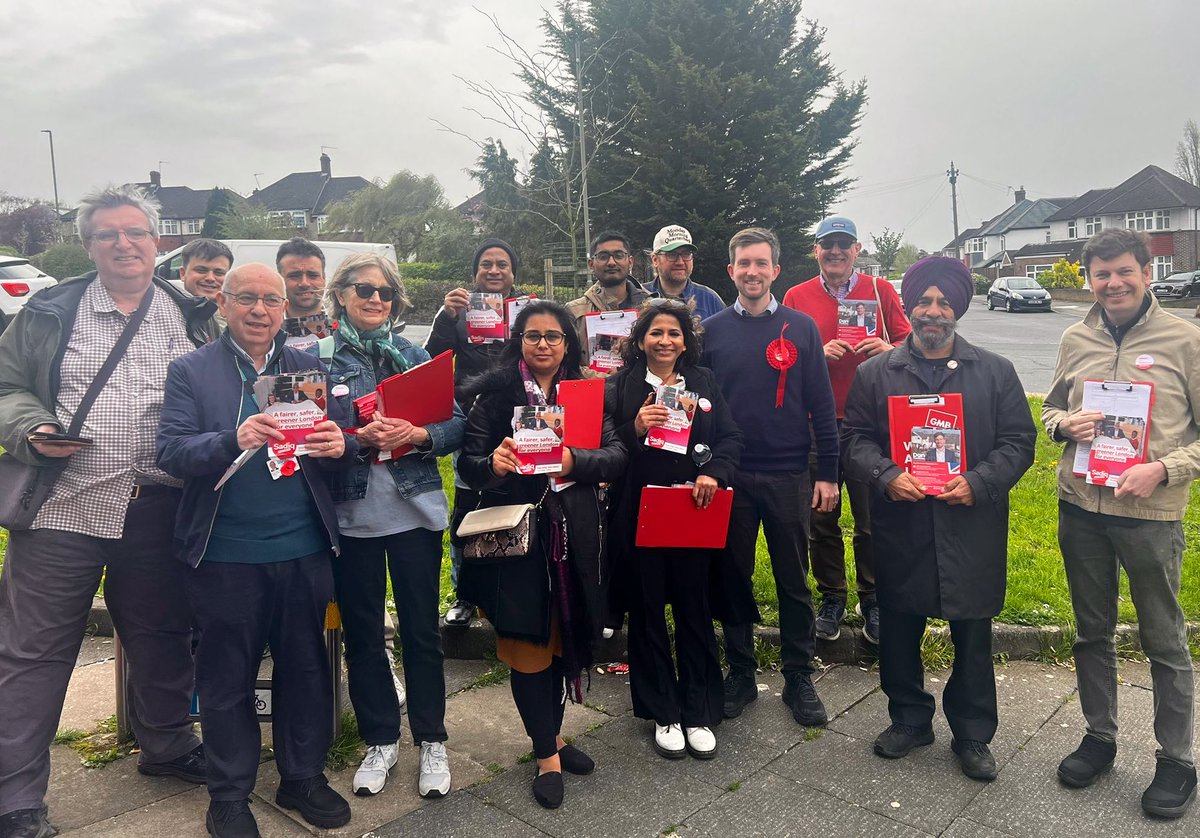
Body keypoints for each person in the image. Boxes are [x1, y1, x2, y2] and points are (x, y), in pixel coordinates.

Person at [0, 186, 214, 838]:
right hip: (63, 506)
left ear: (158, 242)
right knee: (33, 654)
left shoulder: (191, 313)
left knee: (162, 638)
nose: (123, 244)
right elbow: (5, 384)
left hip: (157, 509)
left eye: (135, 233)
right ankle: (14, 798)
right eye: (107, 235)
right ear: (89, 244)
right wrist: (32, 427)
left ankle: (167, 745)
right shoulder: (48, 310)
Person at [157, 262, 357, 837]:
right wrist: (232, 438)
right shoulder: (191, 371)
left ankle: (302, 778)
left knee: (304, 667)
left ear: (285, 309)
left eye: (271, 300)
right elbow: (171, 452)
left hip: (302, 549)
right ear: (222, 303)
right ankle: (229, 793)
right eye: (247, 298)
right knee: (226, 678)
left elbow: (342, 448)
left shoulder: (308, 366)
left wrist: (337, 442)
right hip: (225, 555)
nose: (260, 310)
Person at [842, 256, 1036, 782]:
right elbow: (853, 439)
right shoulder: (875, 372)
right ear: (909, 307)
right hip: (902, 521)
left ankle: (972, 732)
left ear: (958, 308)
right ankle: (909, 718)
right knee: (900, 624)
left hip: (969, 523)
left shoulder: (995, 371)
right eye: (924, 302)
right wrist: (884, 475)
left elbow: (1019, 442)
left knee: (973, 630)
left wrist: (979, 482)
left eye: (943, 302)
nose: (933, 312)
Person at [1043, 228, 1200, 819]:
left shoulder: (1186, 341)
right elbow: (1052, 407)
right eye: (1101, 274)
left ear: (1145, 272)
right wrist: (1065, 426)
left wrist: (1163, 468)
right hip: (1081, 508)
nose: (1113, 283)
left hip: (1150, 515)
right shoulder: (1075, 336)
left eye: (1123, 272)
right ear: (1089, 278)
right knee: (1091, 631)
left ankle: (1177, 758)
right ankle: (1100, 736)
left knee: (1164, 638)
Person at [457, 300, 627, 809]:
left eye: (554, 336)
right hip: (519, 541)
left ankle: (551, 735)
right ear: (519, 341)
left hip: (576, 538)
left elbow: (617, 457)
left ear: (569, 343)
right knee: (529, 646)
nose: (544, 345)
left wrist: (574, 458)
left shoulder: (589, 393)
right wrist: (497, 463)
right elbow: (468, 466)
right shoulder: (495, 396)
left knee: (563, 640)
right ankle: (545, 754)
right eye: (533, 336)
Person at [321, 253, 466, 800]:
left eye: (384, 292)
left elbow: (455, 424)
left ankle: (432, 737)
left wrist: (418, 434)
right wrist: (358, 437)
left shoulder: (413, 355)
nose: (375, 299)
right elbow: (306, 429)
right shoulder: (317, 358)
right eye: (363, 289)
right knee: (362, 635)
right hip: (351, 516)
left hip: (414, 513)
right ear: (342, 294)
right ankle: (381, 738)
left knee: (421, 633)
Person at [700, 227, 840, 726]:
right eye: (744, 264)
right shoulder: (711, 332)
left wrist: (829, 472)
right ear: (731, 269)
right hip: (730, 477)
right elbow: (702, 406)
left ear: (776, 270)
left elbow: (822, 406)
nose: (752, 272)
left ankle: (798, 675)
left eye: (762, 263)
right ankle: (740, 672)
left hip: (788, 474)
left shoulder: (801, 328)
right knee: (733, 578)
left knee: (793, 581)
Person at [605, 300, 742, 760]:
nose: (666, 341)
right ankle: (662, 711)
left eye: (675, 334)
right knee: (646, 613)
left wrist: (714, 473)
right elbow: (602, 448)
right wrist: (633, 427)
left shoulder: (702, 383)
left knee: (694, 608)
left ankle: (699, 709)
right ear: (640, 339)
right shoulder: (620, 386)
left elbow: (730, 438)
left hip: (692, 509)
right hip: (640, 513)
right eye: (657, 333)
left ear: (687, 341)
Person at [782, 215, 911, 645]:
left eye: (844, 245)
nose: (835, 252)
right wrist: (816, 353)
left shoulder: (880, 290)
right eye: (827, 245)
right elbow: (781, 358)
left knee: (872, 516)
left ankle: (872, 597)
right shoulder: (796, 296)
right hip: (817, 422)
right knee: (821, 515)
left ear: (857, 249)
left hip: (870, 420)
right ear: (815, 250)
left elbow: (913, 346)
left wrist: (888, 348)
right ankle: (832, 595)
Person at [425, 238, 522, 626]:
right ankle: (464, 594)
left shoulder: (525, 311)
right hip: (472, 421)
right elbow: (431, 360)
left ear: (514, 273)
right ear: (475, 272)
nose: (494, 270)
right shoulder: (458, 314)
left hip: (521, 420)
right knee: (467, 507)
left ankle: (512, 590)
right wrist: (446, 318)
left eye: (502, 264)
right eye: (486, 264)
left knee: (519, 502)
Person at [564, 230, 649, 360]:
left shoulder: (651, 306)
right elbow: (568, 365)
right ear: (591, 264)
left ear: (630, 262)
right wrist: (609, 378)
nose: (611, 262)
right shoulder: (574, 312)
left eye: (619, 255)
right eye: (603, 256)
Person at [644, 225, 725, 321]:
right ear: (655, 260)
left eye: (686, 254)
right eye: (672, 255)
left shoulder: (710, 300)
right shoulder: (638, 296)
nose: (680, 262)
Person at [179, 237, 233, 342]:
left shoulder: (236, 316)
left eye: (219, 272)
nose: (210, 278)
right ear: (183, 273)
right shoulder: (170, 315)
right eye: (201, 270)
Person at [276, 237, 327, 320]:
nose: (304, 283)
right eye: (294, 276)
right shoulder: (267, 328)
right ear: (279, 281)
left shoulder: (344, 327)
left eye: (313, 275)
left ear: (324, 278)